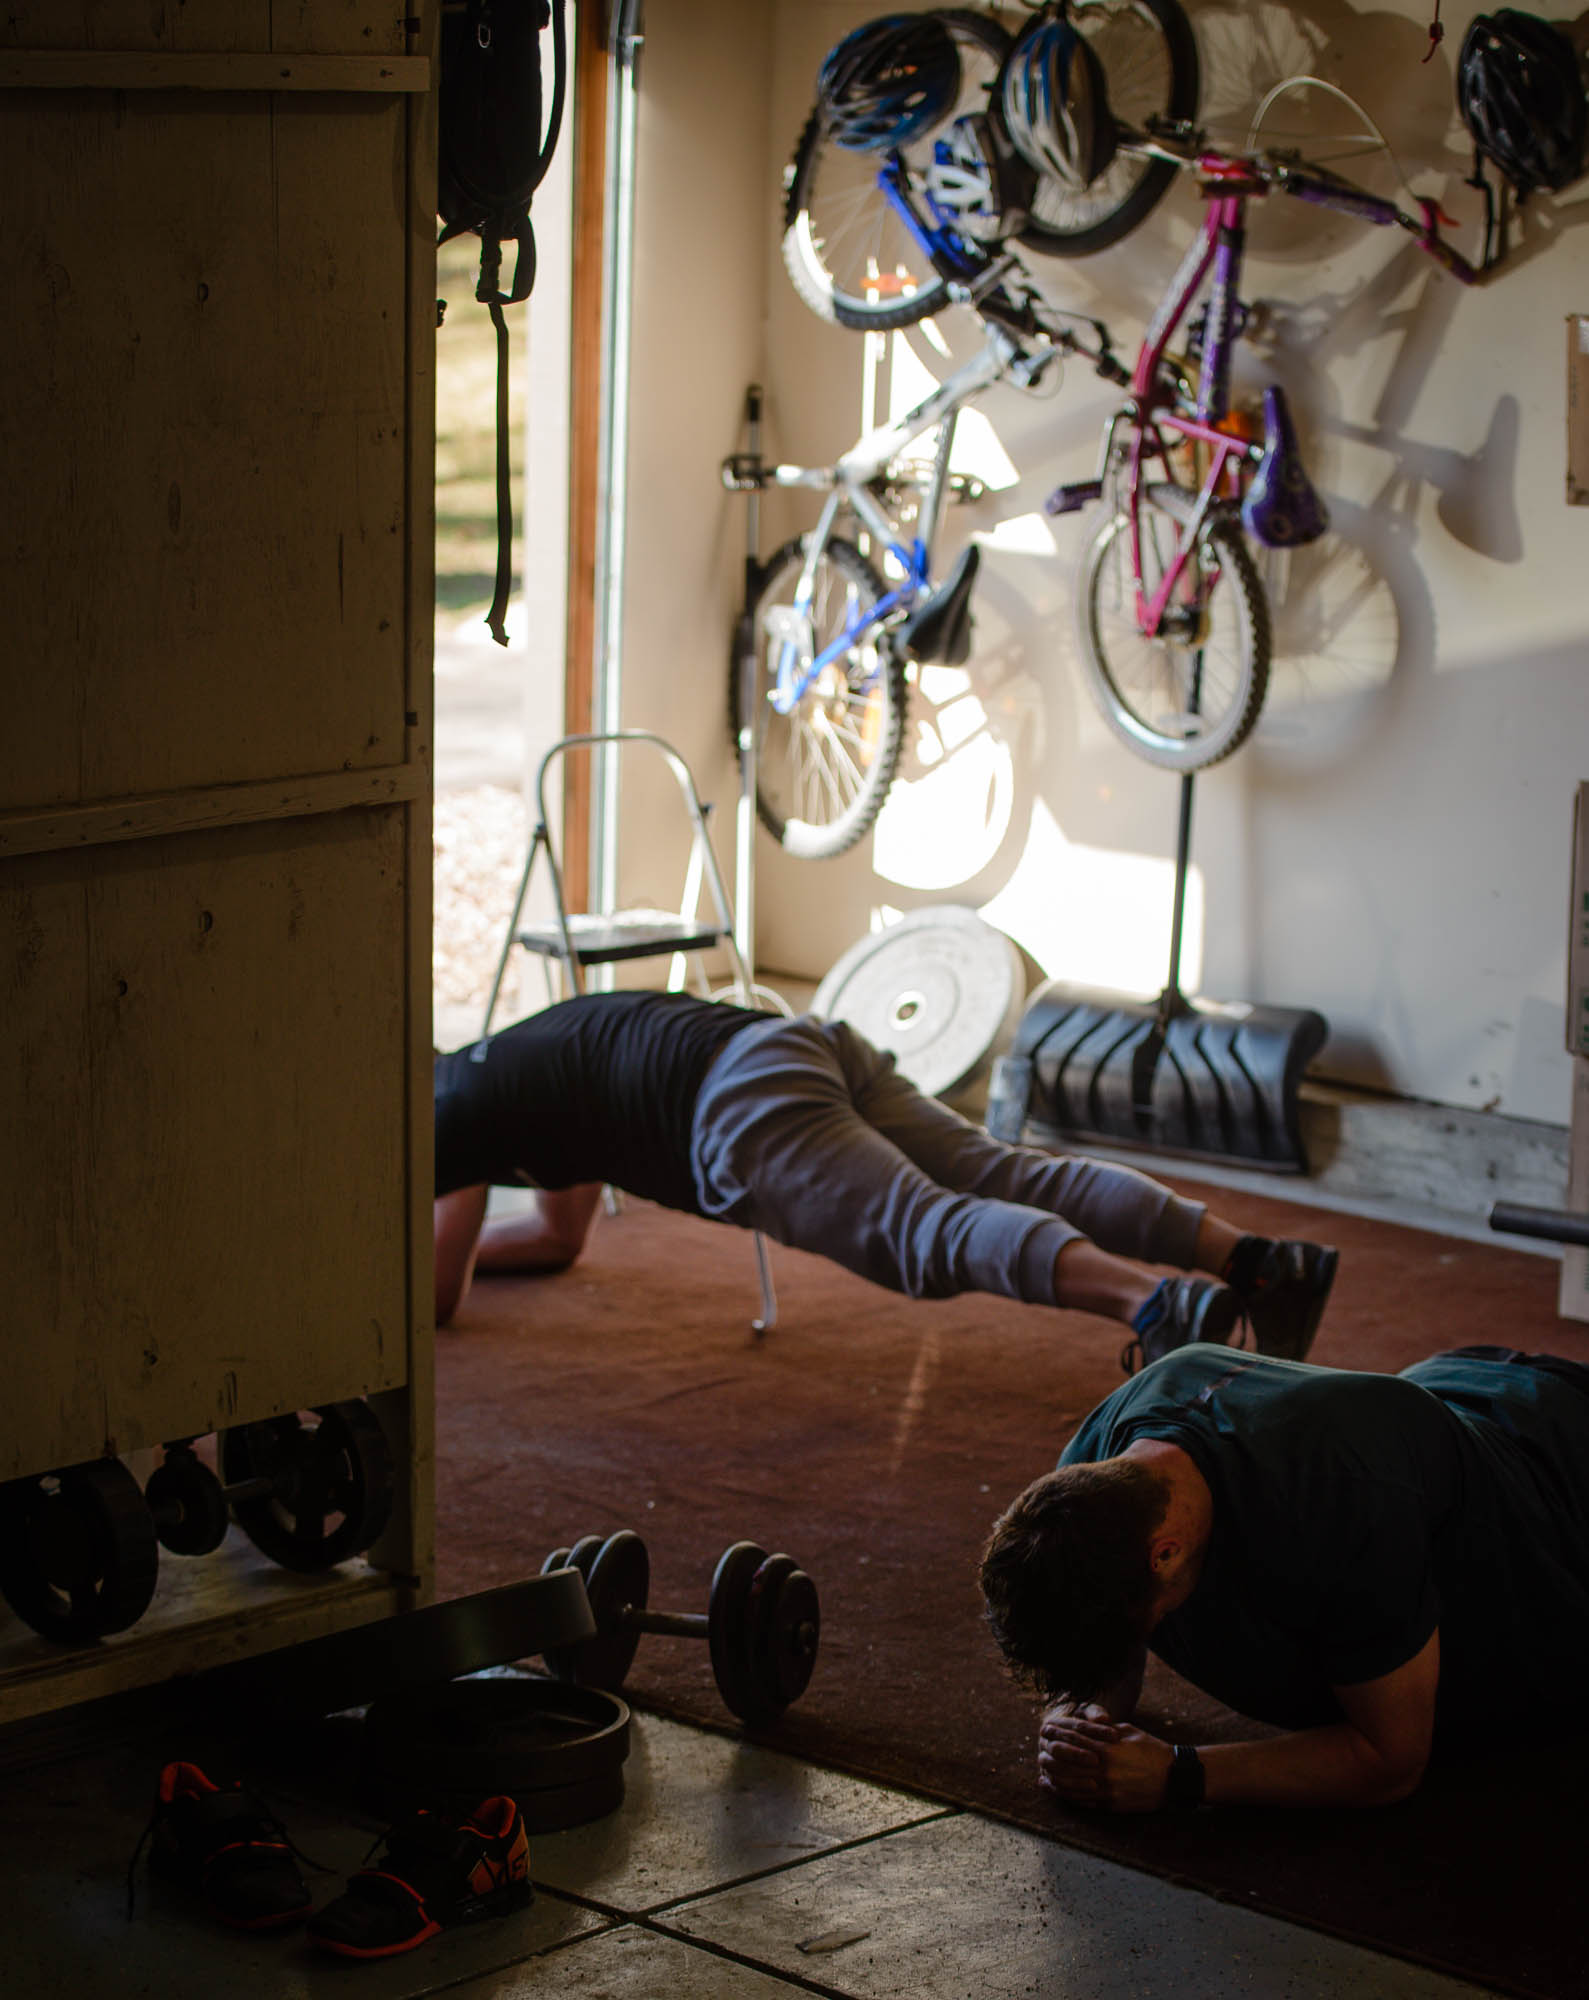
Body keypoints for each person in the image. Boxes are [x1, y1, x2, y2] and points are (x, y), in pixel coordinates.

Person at [433, 991, 1338, 1367]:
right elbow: (557, 1237)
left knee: (925, 1232)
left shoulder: (437, 1125)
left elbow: (433, 1295)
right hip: (789, 1043)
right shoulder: (492, 1069)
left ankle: (1154, 1307)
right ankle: (1260, 1263)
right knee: (1004, 1174)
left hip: (734, 1107)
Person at [979, 1342, 1589, 1812]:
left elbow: (1393, 1761)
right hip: (1452, 1394)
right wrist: (1074, 1721)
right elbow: (1101, 1659)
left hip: (1561, 1465)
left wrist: (1181, 1774)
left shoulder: (1342, 1503)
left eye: (1133, 1628)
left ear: (1163, 1554)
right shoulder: (1089, 1476)